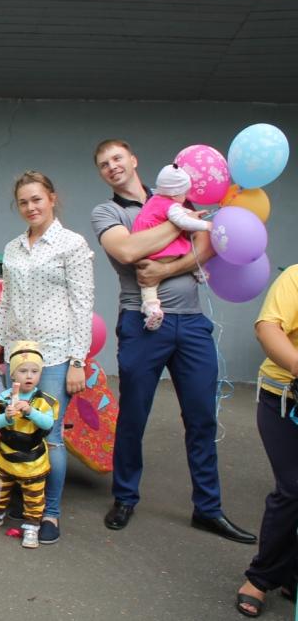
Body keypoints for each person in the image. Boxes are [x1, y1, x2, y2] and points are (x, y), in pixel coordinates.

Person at [90, 138, 254, 543]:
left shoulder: (179, 192)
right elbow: (128, 251)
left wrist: (164, 270)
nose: (112, 166)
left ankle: (208, 508)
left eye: (117, 158)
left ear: (134, 159)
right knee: (134, 416)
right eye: (104, 164)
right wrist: (179, 219)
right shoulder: (107, 212)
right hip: (142, 323)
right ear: (101, 173)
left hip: (192, 324)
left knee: (202, 419)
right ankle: (125, 497)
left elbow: (207, 244)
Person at [0, 171, 93, 545]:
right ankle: (22, 498)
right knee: (15, 426)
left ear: (52, 198)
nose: (31, 207)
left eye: (37, 199)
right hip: (18, 354)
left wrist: (77, 361)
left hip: (56, 354)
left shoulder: (72, 244)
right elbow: (5, 304)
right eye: (23, 202)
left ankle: (50, 513)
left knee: (50, 433)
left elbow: (82, 305)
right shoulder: (13, 247)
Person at [235, 264, 298, 617]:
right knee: (294, 488)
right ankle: (259, 578)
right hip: (285, 399)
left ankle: (291, 572)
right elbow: (268, 327)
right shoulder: (296, 278)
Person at [0, 341, 57, 549]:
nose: (29, 376)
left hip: (32, 460)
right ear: (13, 375)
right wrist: (6, 416)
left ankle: (32, 525)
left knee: (34, 495)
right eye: (23, 371)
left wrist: (30, 412)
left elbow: (48, 424)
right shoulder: (4, 398)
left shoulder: (43, 401)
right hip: (6, 456)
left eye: (34, 371)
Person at [132, 163, 212, 331]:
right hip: (163, 251)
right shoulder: (172, 206)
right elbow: (182, 221)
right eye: (184, 193)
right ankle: (196, 270)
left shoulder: (155, 199)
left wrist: (189, 214)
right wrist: (206, 225)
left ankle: (152, 307)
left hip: (149, 248)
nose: (185, 196)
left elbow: (178, 213)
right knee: (188, 245)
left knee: (149, 285)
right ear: (175, 193)